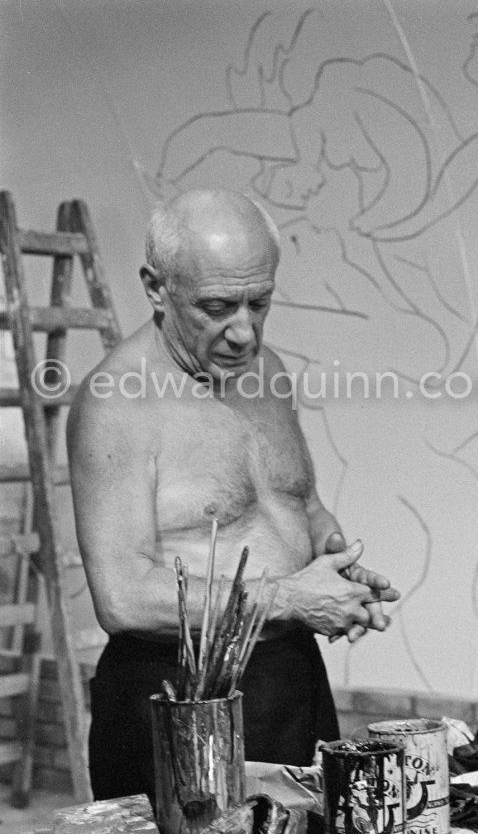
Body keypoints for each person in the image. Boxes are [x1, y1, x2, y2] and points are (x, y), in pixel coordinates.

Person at [66, 188, 400, 802]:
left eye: (260, 302)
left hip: (291, 676)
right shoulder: (115, 403)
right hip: (177, 696)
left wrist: (336, 563)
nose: (243, 332)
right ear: (156, 287)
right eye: (216, 307)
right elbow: (121, 598)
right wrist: (290, 597)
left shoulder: (263, 368)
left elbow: (295, 499)